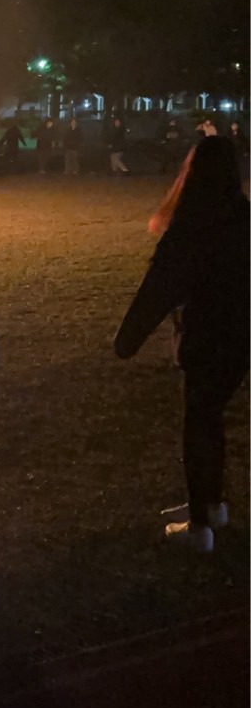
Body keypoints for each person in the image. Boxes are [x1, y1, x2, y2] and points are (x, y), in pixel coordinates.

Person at [115, 137, 249, 551]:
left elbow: (160, 286)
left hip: (208, 337)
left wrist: (128, 339)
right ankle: (211, 504)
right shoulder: (243, 217)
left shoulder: (192, 224)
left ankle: (199, 526)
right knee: (211, 418)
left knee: (198, 424)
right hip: (243, 337)